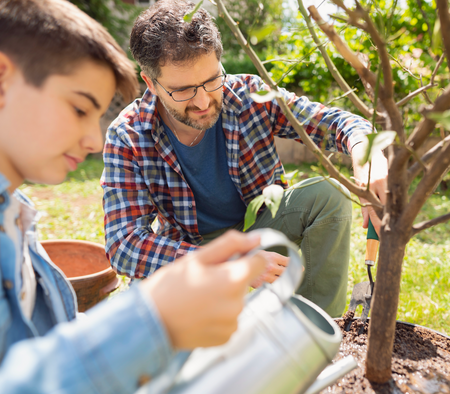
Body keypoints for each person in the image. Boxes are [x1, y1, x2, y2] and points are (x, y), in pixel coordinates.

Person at [0, 0, 268, 392]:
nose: (94, 140)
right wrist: (151, 321)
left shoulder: (18, 221)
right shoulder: (129, 135)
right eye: (79, 108)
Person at [102, 0, 388, 317]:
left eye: (212, 80)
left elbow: (338, 123)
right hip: (191, 249)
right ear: (151, 83)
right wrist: (230, 264)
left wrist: (367, 150)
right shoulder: (128, 135)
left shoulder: (250, 95)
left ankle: (316, 328)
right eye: (182, 90)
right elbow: (124, 245)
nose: (202, 101)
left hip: (261, 226)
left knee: (328, 195)